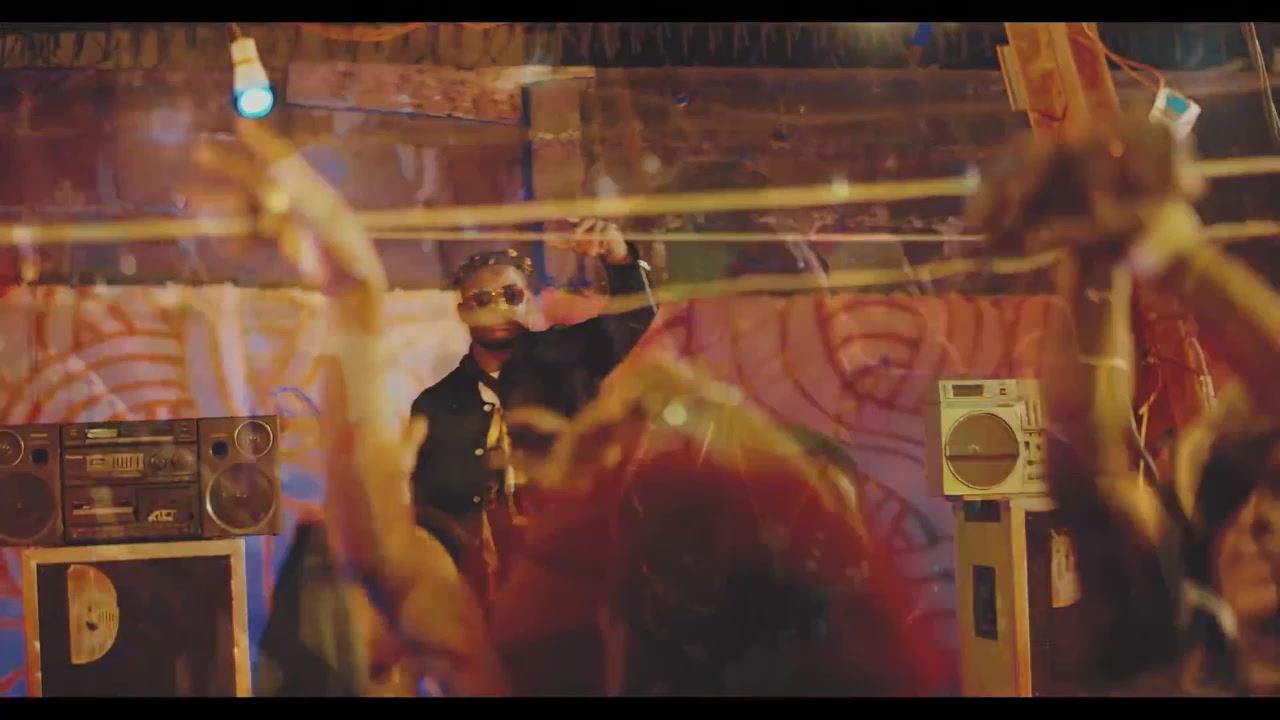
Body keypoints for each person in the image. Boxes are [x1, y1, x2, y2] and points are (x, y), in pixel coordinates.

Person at [409, 221, 657, 605]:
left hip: (573, 572)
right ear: (463, 311)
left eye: (511, 295)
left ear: (527, 300)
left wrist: (618, 255)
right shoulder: (435, 405)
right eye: (482, 299)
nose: (499, 308)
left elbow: (634, 317)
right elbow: (428, 511)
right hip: (479, 590)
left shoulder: (569, 357)